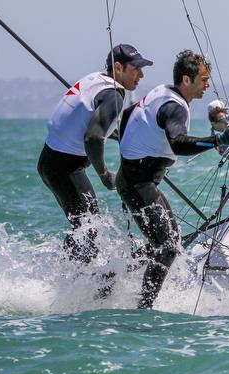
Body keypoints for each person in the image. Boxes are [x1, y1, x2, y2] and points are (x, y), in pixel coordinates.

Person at [117, 50, 229, 309]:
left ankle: (115, 271)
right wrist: (217, 140)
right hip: (137, 183)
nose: (208, 85)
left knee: (170, 241)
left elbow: (129, 115)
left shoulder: (162, 91)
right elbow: (178, 143)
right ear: (187, 80)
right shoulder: (175, 107)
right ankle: (145, 306)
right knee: (169, 245)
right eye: (204, 79)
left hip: (136, 180)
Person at [38, 44, 152, 264]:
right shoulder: (115, 96)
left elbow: (88, 121)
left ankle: (73, 275)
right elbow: (92, 138)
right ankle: (71, 281)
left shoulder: (96, 79)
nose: (141, 74)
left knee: (87, 226)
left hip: (53, 161)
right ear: (118, 67)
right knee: (87, 228)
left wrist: (123, 136)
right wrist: (104, 174)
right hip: (64, 168)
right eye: (136, 68)